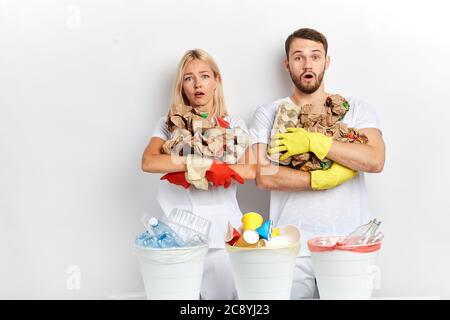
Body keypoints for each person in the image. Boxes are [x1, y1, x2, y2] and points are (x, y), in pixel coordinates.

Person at [249, 28, 385, 299]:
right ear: (287, 64)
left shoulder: (355, 109)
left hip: (349, 246)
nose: (307, 64)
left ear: (327, 62)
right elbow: (264, 175)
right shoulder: (269, 113)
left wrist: (316, 142)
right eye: (298, 57)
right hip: (289, 246)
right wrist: (321, 179)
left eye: (315, 56)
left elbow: (375, 159)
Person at [141, 49, 255, 299]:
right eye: (189, 78)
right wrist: (196, 164)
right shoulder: (168, 124)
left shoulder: (234, 126)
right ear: (182, 86)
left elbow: (249, 169)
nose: (197, 84)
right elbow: (149, 161)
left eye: (204, 76)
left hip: (222, 233)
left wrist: (220, 169)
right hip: (176, 236)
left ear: (217, 81)